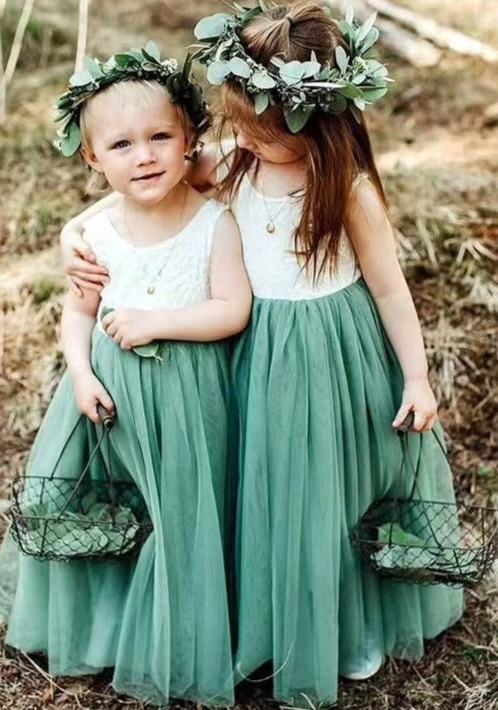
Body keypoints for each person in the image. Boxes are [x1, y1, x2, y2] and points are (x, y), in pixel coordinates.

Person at [59, 5, 464, 707]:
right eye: (236, 117)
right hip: (250, 353)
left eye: (254, 123)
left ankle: (338, 630)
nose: (235, 131)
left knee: (323, 494)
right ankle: (260, 621)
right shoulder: (234, 162)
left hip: (328, 355)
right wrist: (72, 231)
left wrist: (417, 375)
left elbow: (391, 291)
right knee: (260, 489)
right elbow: (143, 195)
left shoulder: (349, 191)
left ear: (311, 120)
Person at [0, 44, 251, 707]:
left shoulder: (214, 223)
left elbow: (232, 310)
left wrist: (158, 323)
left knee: (177, 515)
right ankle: (101, 634)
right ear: (93, 158)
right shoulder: (96, 235)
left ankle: (178, 635)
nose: (145, 155)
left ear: (190, 141)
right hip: (105, 396)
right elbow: (77, 317)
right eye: (123, 144)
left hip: (189, 401)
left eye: (161, 137)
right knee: (103, 512)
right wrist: (79, 372)